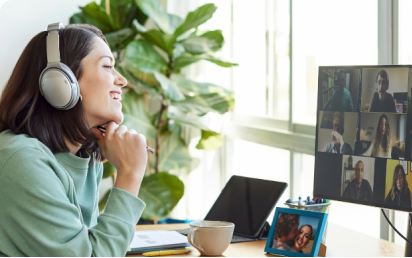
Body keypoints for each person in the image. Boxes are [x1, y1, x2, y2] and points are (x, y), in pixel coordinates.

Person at [0, 23, 149, 256]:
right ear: (59, 82)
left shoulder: (84, 157)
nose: (122, 80)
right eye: (108, 66)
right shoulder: (22, 161)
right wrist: (130, 175)